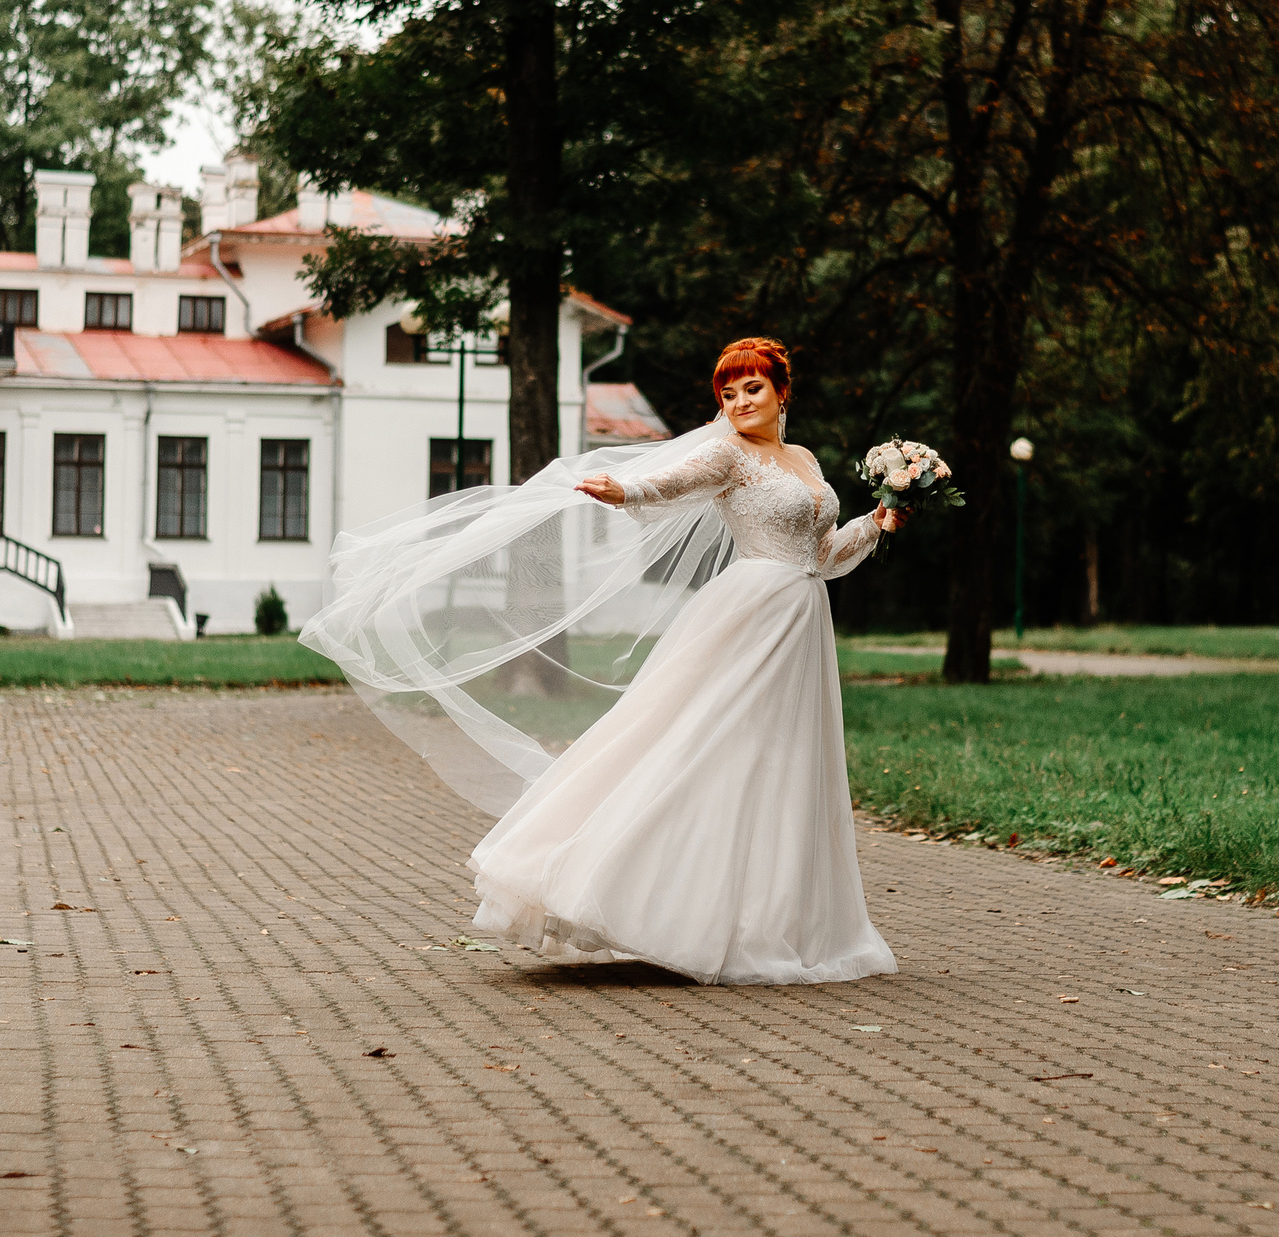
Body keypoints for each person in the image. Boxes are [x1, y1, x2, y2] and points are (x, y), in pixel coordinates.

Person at [307, 337, 904, 986]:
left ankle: (778, 919)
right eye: (728, 393)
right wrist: (626, 490)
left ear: (781, 391)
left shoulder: (805, 460)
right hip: (751, 613)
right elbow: (673, 481)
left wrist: (876, 521)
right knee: (708, 745)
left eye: (752, 388)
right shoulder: (725, 453)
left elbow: (822, 556)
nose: (739, 403)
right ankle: (638, 896)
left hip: (802, 617)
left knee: (787, 760)